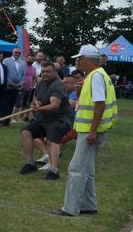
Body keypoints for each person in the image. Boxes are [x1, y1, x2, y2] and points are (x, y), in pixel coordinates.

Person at [53, 46, 117, 217]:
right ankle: (88, 205)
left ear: (88, 59)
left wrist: (92, 132)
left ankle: (70, 208)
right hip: (93, 130)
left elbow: (100, 104)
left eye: (80, 58)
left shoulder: (95, 77)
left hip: (90, 131)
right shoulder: (99, 75)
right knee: (87, 169)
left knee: (77, 169)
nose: (78, 61)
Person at [18, 61, 73, 180]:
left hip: (61, 119)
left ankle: (54, 171)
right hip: (46, 119)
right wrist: (36, 102)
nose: (45, 74)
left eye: (48, 71)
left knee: (52, 139)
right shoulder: (40, 83)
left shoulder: (58, 85)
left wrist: (38, 109)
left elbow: (54, 106)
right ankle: (30, 164)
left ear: (55, 72)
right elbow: (35, 96)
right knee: (26, 132)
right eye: (43, 72)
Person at [1, 47, 25, 123]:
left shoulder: (23, 62)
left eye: (19, 53)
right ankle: (1, 120)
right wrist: (11, 83)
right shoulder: (6, 60)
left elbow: (23, 75)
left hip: (17, 87)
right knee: (4, 104)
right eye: (16, 52)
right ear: (12, 52)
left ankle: (7, 121)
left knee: (11, 104)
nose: (17, 54)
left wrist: (20, 84)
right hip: (8, 86)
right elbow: (4, 73)